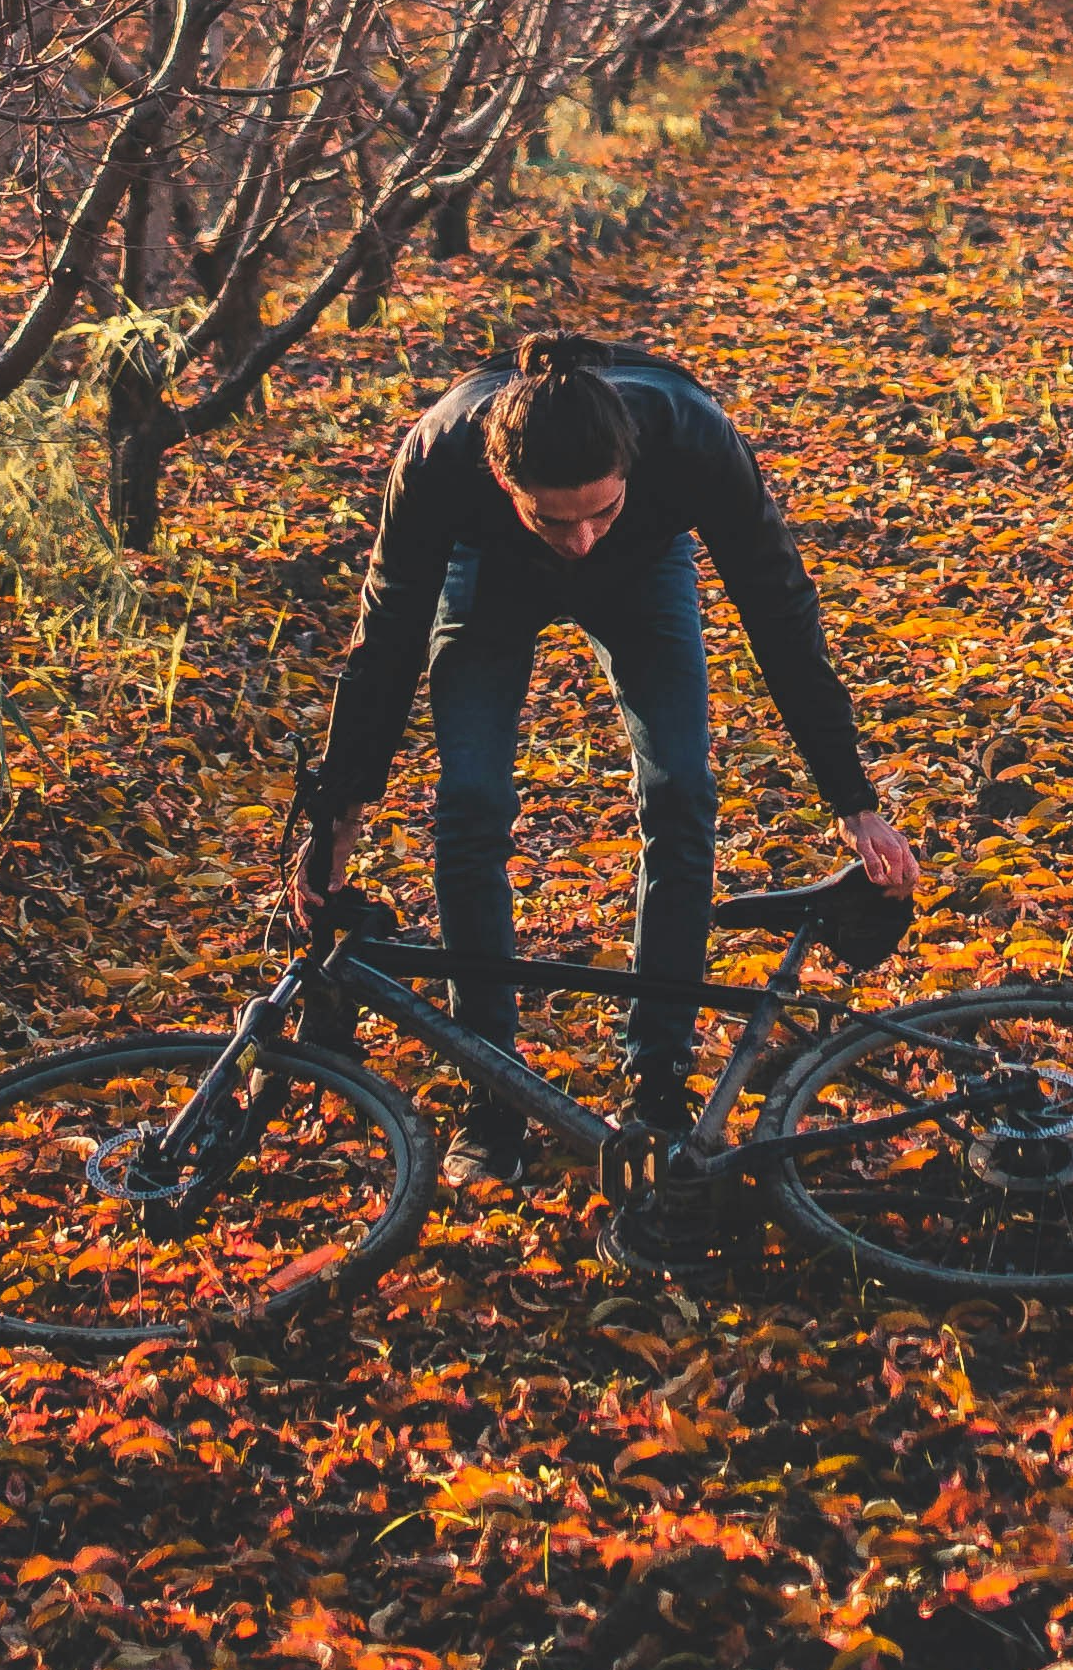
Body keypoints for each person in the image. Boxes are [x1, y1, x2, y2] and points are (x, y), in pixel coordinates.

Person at [292, 336, 917, 1161]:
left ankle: (657, 1079)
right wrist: (338, 815)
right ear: (503, 479)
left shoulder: (692, 439)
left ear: (630, 470)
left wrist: (852, 800)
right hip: (489, 573)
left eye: (601, 511)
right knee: (470, 804)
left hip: (648, 572)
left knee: (682, 794)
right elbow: (386, 637)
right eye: (555, 516)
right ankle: (494, 1091)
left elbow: (781, 613)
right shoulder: (441, 455)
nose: (581, 539)